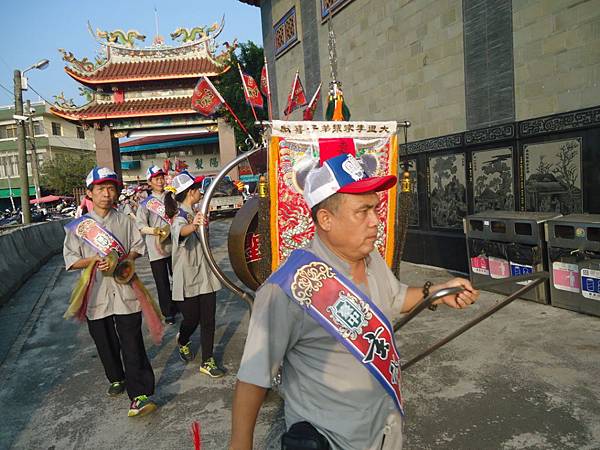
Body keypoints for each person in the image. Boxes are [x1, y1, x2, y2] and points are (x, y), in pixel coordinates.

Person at [230, 146, 480, 450]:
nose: (375, 221)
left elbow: (395, 298)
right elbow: (254, 377)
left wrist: (436, 293)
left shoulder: (370, 256)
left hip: (385, 431)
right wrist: (240, 444)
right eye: (363, 211)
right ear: (325, 219)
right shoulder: (288, 288)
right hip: (333, 440)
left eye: (375, 209)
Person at [63, 166, 158, 418]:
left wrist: (122, 258)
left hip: (124, 287)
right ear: (89, 193)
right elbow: (71, 260)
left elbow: (139, 248)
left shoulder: (126, 220)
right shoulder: (81, 227)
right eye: (101, 188)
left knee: (132, 342)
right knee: (104, 342)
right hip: (95, 293)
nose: (107, 193)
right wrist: (94, 259)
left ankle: (139, 394)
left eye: (111, 188)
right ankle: (116, 376)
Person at [164, 171, 225, 377]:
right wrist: (194, 225)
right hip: (188, 276)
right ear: (191, 192)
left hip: (206, 273)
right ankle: (183, 339)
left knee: (209, 319)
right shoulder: (178, 217)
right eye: (197, 189)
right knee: (192, 318)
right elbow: (180, 232)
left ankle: (207, 360)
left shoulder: (197, 212)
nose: (200, 192)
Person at [136, 165, 177, 324]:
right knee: (162, 282)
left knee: (178, 277)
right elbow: (140, 225)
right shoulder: (146, 202)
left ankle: (180, 304)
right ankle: (168, 312)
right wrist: (156, 231)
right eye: (156, 179)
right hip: (156, 248)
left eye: (162, 178)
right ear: (150, 182)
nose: (160, 181)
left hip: (173, 245)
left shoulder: (171, 197)